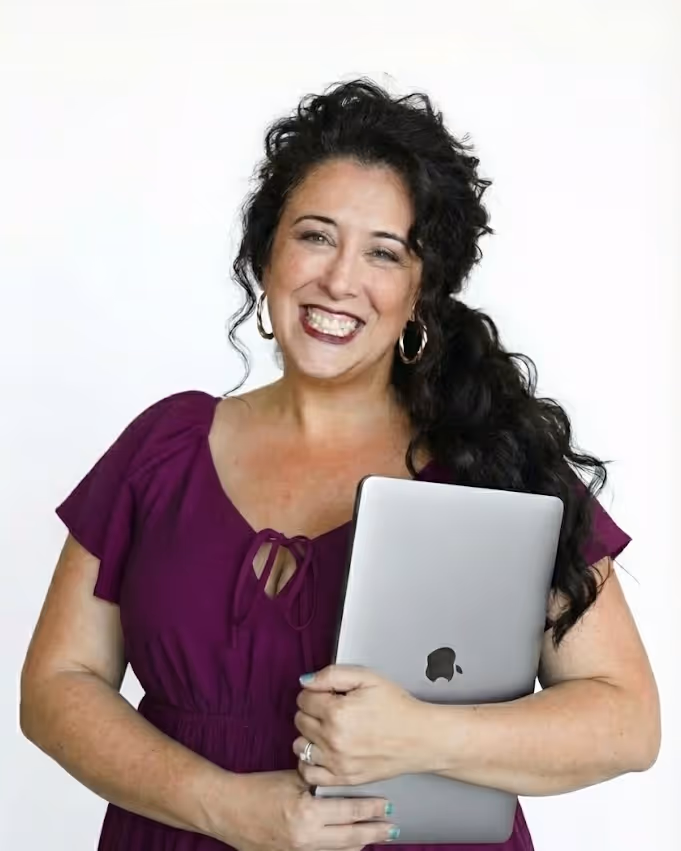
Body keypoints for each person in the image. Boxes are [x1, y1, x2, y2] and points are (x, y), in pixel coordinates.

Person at [20, 79, 660, 851]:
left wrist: (421, 735)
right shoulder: (164, 447)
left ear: (421, 292)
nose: (339, 280)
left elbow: (626, 719)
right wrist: (225, 806)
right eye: (315, 236)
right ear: (265, 253)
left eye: (384, 252)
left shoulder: (489, 458)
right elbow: (56, 685)